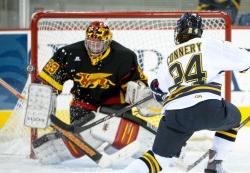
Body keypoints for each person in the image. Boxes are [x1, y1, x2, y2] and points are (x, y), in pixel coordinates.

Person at [93, 12, 250, 173]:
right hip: (208, 108)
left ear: (179, 31)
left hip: (175, 115)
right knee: (233, 119)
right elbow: (245, 62)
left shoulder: (169, 56)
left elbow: (159, 91)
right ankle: (215, 166)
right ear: (199, 31)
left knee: (160, 158)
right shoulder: (210, 45)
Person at [31, 21, 159, 165]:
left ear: (108, 42)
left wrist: (141, 94)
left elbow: (136, 86)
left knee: (115, 134)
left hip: (114, 103)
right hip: (83, 101)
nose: (94, 48)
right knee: (86, 134)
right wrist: (41, 97)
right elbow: (46, 82)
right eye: (91, 43)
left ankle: (121, 146)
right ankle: (95, 142)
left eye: (99, 44)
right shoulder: (69, 53)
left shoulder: (124, 56)